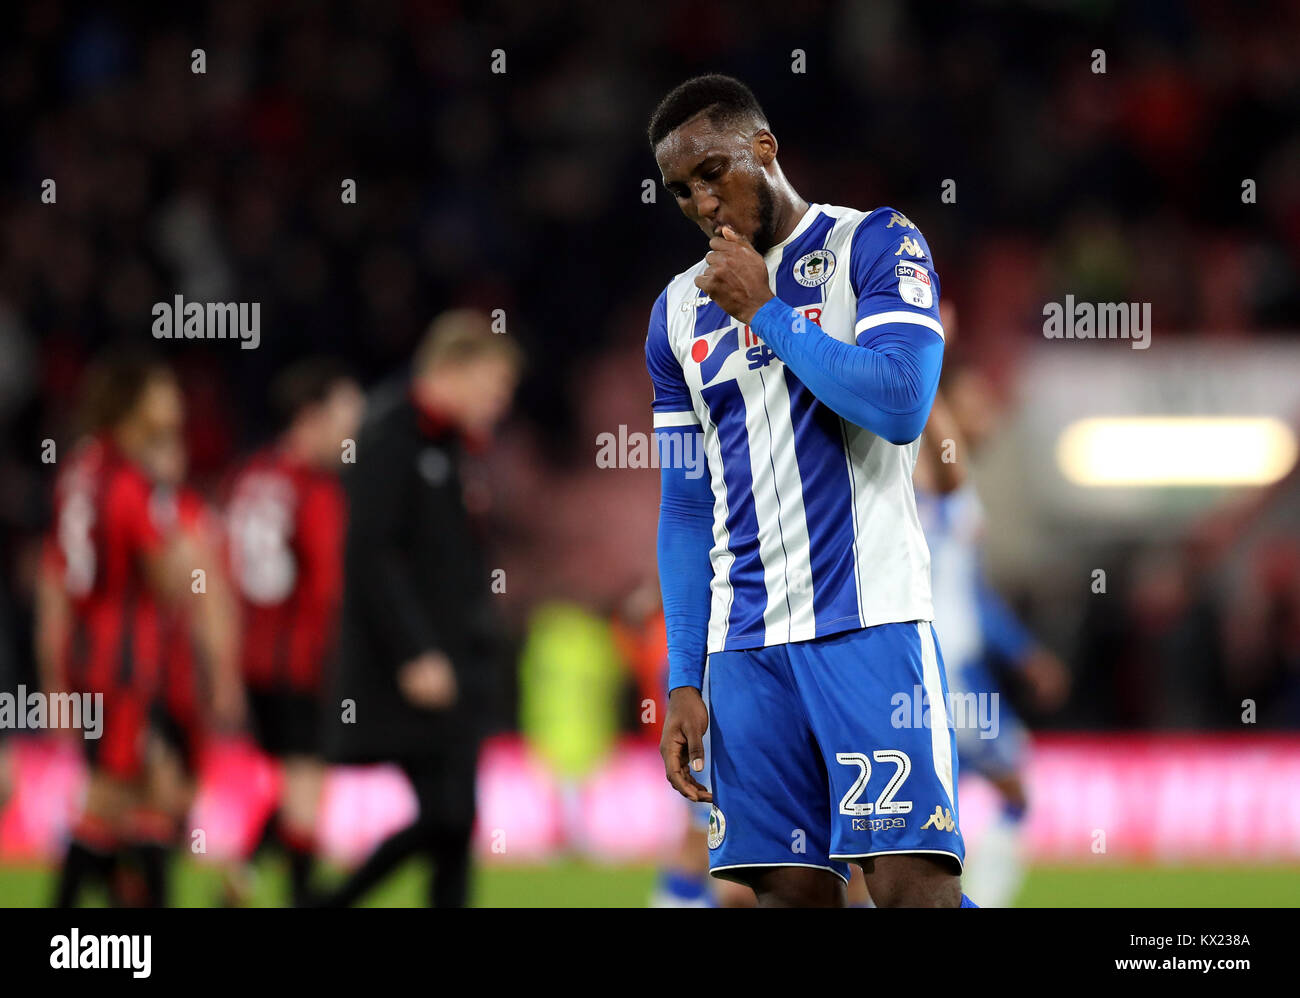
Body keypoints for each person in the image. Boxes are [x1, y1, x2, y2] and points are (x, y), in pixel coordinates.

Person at [646, 74, 974, 907]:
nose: (700, 201)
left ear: (765, 149)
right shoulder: (678, 313)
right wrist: (686, 676)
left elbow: (901, 404)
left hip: (869, 625)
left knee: (911, 892)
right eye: (680, 189)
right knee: (788, 897)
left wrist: (769, 311)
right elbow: (685, 505)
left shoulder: (876, 244)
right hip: (745, 649)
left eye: (713, 171)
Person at [321, 310, 520, 908]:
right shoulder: (387, 437)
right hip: (413, 666)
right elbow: (370, 557)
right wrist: (416, 651)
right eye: (493, 385)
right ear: (452, 370)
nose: (500, 403)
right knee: (446, 814)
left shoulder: (450, 445)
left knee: (455, 822)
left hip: (459, 659)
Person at [39, 355, 242, 906]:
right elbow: (172, 580)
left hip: (93, 651)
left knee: (154, 791)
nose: (174, 399)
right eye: (162, 390)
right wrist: (196, 552)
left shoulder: (81, 470)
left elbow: (55, 575)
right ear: (132, 405)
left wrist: (53, 673)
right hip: (125, 659)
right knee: (110, 798)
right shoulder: (131, 484)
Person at [913, 344, 1069, 907]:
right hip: (930, 669)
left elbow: (969, 592)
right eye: (973, 405)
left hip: (950, 666)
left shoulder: (956, 493)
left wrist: (1023, 651)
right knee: (929, 817)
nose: (988, 417)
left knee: (950, 805)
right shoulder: (916, 485)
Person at [224, 359, 362, 906]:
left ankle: (244, 876)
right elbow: (331, 589)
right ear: (312, 416)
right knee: (307, 789)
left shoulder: (250, 474)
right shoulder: (317, 491)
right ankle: (303, 898)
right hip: (303, 658)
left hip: (254, 658)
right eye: (345, 414)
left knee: (296, 781)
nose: (353, 430)